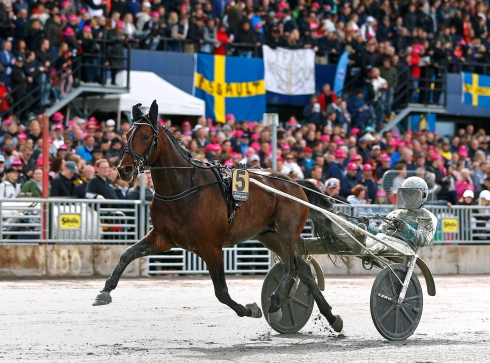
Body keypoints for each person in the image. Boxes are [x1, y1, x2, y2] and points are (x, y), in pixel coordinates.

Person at [360, 177, 438, 254]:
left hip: (407, 248)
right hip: (387, 242)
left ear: (423, 195)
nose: (408, 197)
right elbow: (380, 232)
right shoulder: (395, 213)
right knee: (376, 236)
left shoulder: (427, 217)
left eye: (412, 194)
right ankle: (357, 243)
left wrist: (405, 227)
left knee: (382, 238)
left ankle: (362, 246)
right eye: (406, 193)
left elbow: (423, 241)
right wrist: (368, 226)